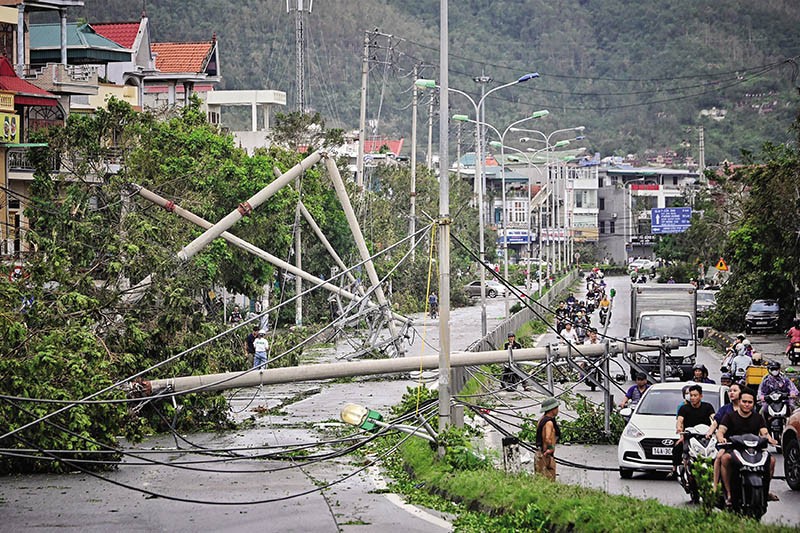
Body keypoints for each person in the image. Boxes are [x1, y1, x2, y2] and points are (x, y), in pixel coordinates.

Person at [717, 388, 778, 505]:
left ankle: (765, 490)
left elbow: (764, 432)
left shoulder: (758, 418)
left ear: (754, 404)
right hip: (735, 450)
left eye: (750, 402)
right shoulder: (729, 416)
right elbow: (721, 431)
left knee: (772, 460)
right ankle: (728, 493)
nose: (746, 405)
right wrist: (721, 437)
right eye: (744, 401)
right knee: (725, 459)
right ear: (739, 402)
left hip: (754, 450)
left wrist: (770, 439)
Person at [669, 384, 715, 478]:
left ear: (701, 396)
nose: (693, 398)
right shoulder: (684, 408)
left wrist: (716, 424)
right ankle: (675, 470)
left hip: (705, 437)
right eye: (691, 395)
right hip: (689, 436)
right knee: (678, 448)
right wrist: (679, 429)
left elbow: (713, 418)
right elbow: (680, 421)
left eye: (695, 395)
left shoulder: (708, 407)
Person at [708, 382, 741, 492]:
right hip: (728, 443)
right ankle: (715, 486)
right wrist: (710, 432)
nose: (731, 393)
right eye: (730, 391)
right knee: (719, 457)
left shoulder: (746, 407)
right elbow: (715, 423)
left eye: (734, 391)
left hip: (744, 442)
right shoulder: (725, 409)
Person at [535, 397, 561, 481]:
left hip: (540, 453)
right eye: (556, 408)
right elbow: (547, 438)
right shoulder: (549, 423)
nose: (558, 410)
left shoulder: (541, 419)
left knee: (540, 480)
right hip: (546, 456)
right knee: (549, 480)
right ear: (552, 409)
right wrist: (551, 449)